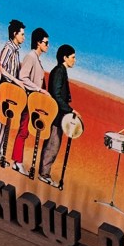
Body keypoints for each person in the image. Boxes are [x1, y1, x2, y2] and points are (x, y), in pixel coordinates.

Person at [10, 27, 49, 175]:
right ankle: (17, 162)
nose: (47, 45)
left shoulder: (36, 58)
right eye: (45, 43)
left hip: (33, 102)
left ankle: (17, 161)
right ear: (38, 42)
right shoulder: (31, 57)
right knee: (23, 131)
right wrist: (39, 90)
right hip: (28, 100)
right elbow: (23, 77)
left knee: (25, 131)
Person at [39, 44, 76, 186]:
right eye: (72, 57)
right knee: (53, 144)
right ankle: (44, 173)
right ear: (65, 57)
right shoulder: (59, 71)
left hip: (58, 114)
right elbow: (56, 95)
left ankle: (44, 172)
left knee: (54, 143)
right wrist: (70, 110)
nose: (74, 60)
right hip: (56, 115)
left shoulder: (61, 71)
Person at [0, 19, 25, 164]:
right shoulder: (9, 48)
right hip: (5, 87)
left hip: (12, 90)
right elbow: (1, 67)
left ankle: (0, 154)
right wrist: (16, 80)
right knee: (2, 119)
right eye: (22, 34)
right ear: (15, 34)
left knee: (7, 120)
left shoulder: (16, 51)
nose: (24, 37)